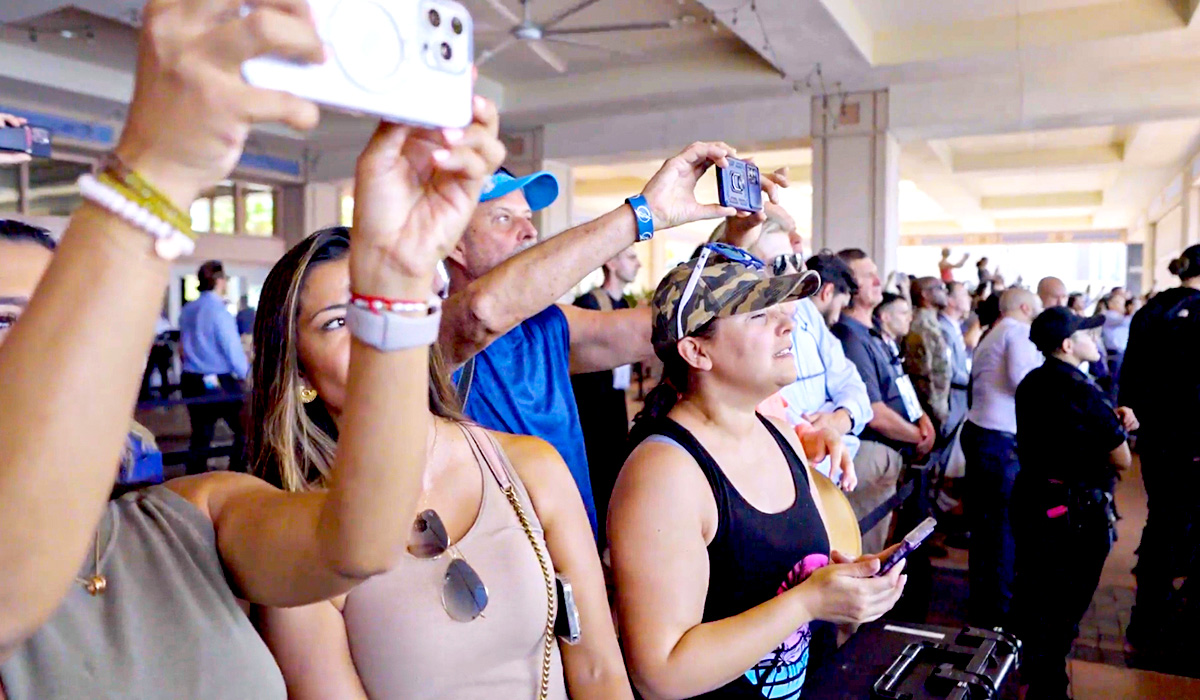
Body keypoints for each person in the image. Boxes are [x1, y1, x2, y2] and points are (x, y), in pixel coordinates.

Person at [0, 4, 504, 697]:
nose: (47, 349)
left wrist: (393, 283)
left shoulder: (191, 517)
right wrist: (157, 167)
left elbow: (361, 544)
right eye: (6, 323)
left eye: (61, 316)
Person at [248, 229, 631, 699]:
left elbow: (599, 674)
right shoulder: (299, 539)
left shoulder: (530, 468)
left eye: (383, 307)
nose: (374, 334)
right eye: (336, 322)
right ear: (300, 371)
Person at [609, 244, 906, 700]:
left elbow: (780, 573)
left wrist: (842, 582)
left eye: (781, 312)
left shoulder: (781, 435)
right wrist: (808, 602)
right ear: (696, 351)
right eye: (758, 317)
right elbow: (660, 673)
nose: (788, 325)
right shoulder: (664, 473)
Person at [439, 143, 761, 535]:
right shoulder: (430, 330)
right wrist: (645, 213)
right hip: (492, 570)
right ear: (453, 241)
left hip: (572, 563)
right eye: (503, 219)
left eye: (527, 217)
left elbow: (673, 321)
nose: (529, 231)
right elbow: (482, 311)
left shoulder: (550, 325)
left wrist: (736, 242)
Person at [1011, 307, 1136, 700]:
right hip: (1077, 515)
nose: (1094, 339)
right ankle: (1049, 688)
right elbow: (1122, 459)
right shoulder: (1083, 390)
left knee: (1036, 593)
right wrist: (1118, 430)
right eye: (1087, 334)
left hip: (1033, 500)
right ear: (1068, 345)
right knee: (1065, 605)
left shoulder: (1032, 382)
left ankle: (1031, 670)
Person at [711, 212, 868, 487]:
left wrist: (840, 418)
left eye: (795, 262)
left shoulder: (804, 309)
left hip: (831, 458)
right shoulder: (736, 343)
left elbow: (851, 382)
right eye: (780, 265)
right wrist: (812, 434)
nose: (793, 275)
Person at [1121, 244, 1200, 648]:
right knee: (1181, 525)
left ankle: (1147, 616)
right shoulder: (1197, 313)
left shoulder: (1149, 312)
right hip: (1191, 438)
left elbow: (1130, 374)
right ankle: (1167, 625)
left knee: (1162, 518)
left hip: (1155, 436)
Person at [834, 250, 933, 553]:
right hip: (871, 449)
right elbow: (873, 411)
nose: (877, 280)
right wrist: (917, 434)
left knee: (882, 540)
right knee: (863, 547)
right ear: (849, 285)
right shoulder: (849, 336)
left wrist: (922, 419)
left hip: (892, 453)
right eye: (867, 275)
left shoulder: (874, 331)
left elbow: (899, 384)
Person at [961, 288, 1043, 629]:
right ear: (1025, 307)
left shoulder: (995, 331)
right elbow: (1025, 385)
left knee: (986, 529)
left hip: (982, 434)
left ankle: (984, 604)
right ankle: (998, 613)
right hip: (998, 440)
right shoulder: (1017, 331)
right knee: (1001, 529)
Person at [571, 246, 640, 546]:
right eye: (631, 257)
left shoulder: (624, 303)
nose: (637, 264)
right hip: (591, 411)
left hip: (615, 404)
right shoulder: (588, 303)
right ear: (611, 262)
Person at [179, 259, 250, 473]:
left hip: (191, 378)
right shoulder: (220, 312)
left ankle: (193, 480)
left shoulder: (188, 310)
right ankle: (236, 473)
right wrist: (248, 374)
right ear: (220, 281)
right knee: (245, 431)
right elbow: (231, 349)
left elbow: (183, 345)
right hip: (220, 381)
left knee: (201, 435)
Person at [903, 278, 952, 437]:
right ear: (925, 294)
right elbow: (923, 376)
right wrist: (936, 414)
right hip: (931, 413)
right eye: (940, 288)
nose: (945, 292)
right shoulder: (922, 326)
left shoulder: (932, 323)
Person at [1099, 289, 1130, 401]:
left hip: (1122, 352)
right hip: (1115, 354)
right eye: (1118, 302)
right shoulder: (1109, 315)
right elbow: (1124, 321)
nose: (1122, 306)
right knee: (1114, 382)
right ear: (1110, 304)